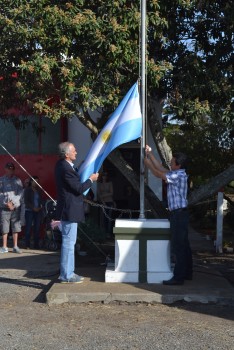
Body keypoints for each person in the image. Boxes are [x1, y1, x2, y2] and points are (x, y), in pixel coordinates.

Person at [144, 145, 193, 285]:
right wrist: (151, 154)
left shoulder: (178, 175)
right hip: (180, 214)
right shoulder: (177, 173)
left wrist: (147, 164)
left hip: (178, 214)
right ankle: (187, 273)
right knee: (184, 245)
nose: (170, 163)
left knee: (178, 246)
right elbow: (161, 169)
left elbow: (158, 174)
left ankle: (179, 277)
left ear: (179, 165)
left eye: (172, 162)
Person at [54, 141, 99, 284]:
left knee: (69, 242)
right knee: (68, 243)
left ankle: (68, 273)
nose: (76, 152)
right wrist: (91, 180)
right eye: (74, 151)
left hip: (68, 209)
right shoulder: (66, 168)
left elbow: (74, 179)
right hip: (69, 210)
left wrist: (83, 166)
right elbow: (78, 188)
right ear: (67, 154)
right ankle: (67, 275)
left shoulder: (64, 166)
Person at [0, 162, 23, 254]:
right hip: (4, 208)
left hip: (15, 208)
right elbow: (0, 193)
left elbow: (21, 193)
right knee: (4, 228)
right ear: (5, 169)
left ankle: (15, 246)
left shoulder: (18, 180)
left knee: (15, 227)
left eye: (12, 168)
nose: (10, 170)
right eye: (8, 168)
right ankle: (4, 247)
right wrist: (6, 203)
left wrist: (13, 203)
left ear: (13, 170)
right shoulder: (1, 180)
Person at [24, 176, 43, 249]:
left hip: (38, 211)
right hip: (29, 211)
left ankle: (36, 245)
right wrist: (33, 208)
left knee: (37, 228)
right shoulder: (27, 190)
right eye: (35, 181)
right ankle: (27, 245)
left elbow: (41, 200)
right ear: (31, 181)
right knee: (28, 228)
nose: (36, 183)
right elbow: (26, 201)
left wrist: (40, 207)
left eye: (37, 181)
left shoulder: (39, 190)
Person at [97, 171, 115, 237]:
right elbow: (98, 194)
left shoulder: (110, 183)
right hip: (102, 203)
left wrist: (103, 195)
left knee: (109, 218)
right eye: (103, 175)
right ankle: (103, 233)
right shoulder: (99, 184)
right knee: (103, 218)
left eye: (105, 175)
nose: (104, 177)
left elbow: (111, 193)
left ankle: (109, 233)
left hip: (109, 202)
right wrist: (102, 201)